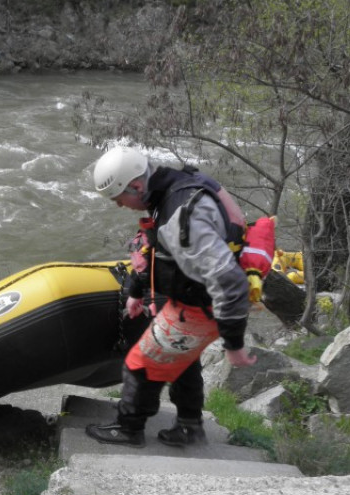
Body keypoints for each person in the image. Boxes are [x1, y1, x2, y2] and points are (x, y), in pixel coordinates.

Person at [85, 146, 257, 448]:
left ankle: (129, 428)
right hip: (196, 301)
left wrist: (234, 345)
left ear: (136, 186)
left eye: (119, 198)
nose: (119, 206)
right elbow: (159, 249)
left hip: (200, 307)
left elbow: (229, 282)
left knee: (141, 364)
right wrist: (137, 291)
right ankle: (189, 427)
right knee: (182, 359)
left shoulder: (181, 217)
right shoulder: (172, 188)